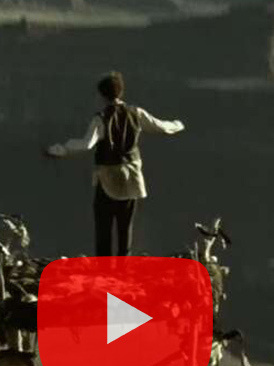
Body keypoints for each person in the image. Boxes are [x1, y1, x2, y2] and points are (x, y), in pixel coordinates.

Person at [44, 71, 185, 256]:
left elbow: (87, 144)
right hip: (131, 177)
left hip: (107, 177)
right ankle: (122, 269)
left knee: (104, 226)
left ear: (102, 95)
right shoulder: (137, 113)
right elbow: (161, 127)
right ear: (121, 92)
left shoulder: (101, 118)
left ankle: (104, 268)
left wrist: (61, 149)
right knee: (125, 227)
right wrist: (178, 124)